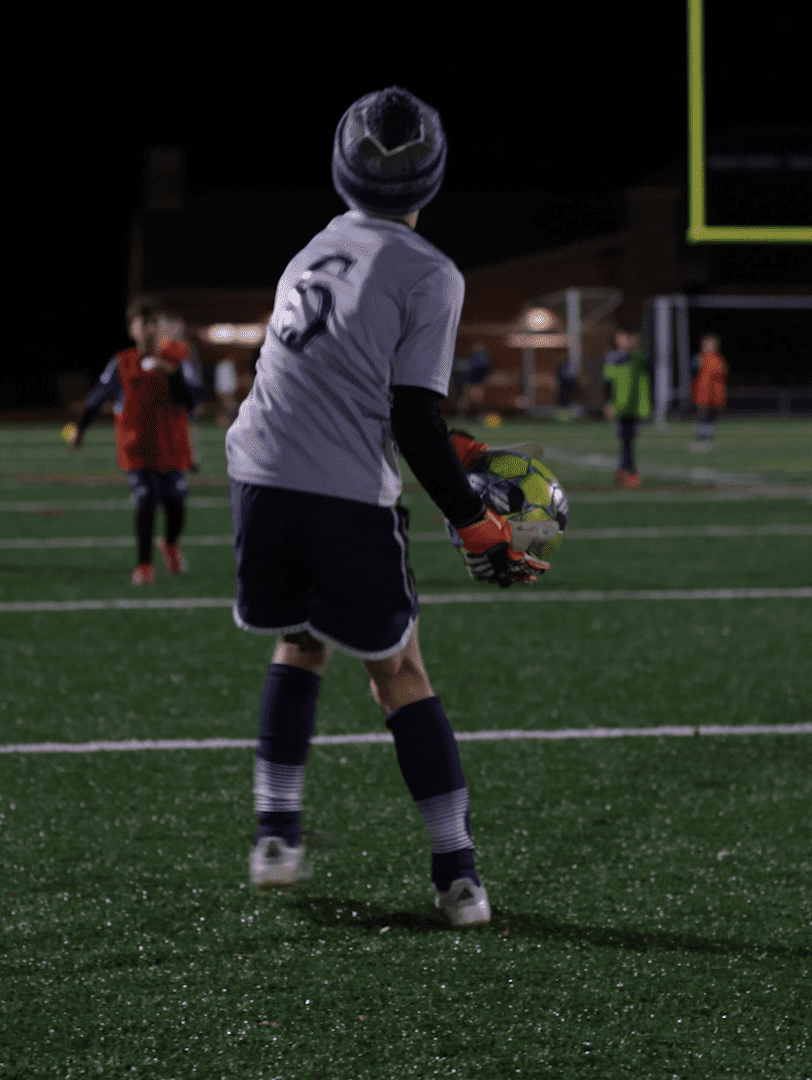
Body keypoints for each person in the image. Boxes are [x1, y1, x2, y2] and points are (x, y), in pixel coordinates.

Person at [224, 86, 546, 928]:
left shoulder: (311, 251)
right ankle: (458, 873)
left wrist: (453, 452)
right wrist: (476, 523)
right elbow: (411, 417)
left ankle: (274, 834)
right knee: (399, 672)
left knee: (301, 644)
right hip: (339, 490)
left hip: (257, 475)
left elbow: (338, 384)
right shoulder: (430, 271)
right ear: (431, 178)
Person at [72, 295, 197, 584]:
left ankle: (170, 544)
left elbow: (190, 401)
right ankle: (144, 565)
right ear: (132, 329)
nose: (150, 329)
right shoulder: (122, 363)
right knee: (146, 502)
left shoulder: (177, 360)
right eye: (144, 323)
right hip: (137, 450)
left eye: (154, 323)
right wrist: (80, 428)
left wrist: (171, 374)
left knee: (176, 507)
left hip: (171, 450)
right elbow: (96, 399)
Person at [601, 329, 651, 487]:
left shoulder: (638, 358)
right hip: (619, 406)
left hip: (633, 407)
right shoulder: (613, 358)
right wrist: (608, 404)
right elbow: (607, 383)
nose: (627, 341)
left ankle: (623, 470)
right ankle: (630, 472)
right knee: (626, 440)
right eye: (623, 338)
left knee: (628, 440)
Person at [690, 332, 727, 452]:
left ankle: (709, 440)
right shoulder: (699, 358)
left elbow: (723, 372)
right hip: (703, 393)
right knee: (702, 417)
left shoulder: (718, 359)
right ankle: (699, 440)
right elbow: (694, 372)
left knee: (712, 418)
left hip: (715, 394)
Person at [457, 343, 491, 420]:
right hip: (469, 382)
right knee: (465, 400)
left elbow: (485, 369)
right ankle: (461, 416)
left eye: (479, 348)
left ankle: (480, 415)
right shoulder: (472, 357)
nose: (477, 349)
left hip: (478, 383)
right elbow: (466, 367)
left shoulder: (484, 358)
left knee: (478, 400)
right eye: (476, 348)